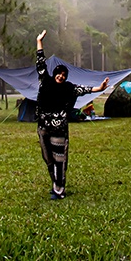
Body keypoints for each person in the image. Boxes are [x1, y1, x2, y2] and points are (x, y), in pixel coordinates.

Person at [34, 30, 108, 200]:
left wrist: (101, 88)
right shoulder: (45, 81)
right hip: (43, 126)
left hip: (59, 128)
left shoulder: (69, 88)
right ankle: (55, 183)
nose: (60, 76)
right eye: (58, 73)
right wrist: (39, 42)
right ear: (55, 74)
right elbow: (40, 62)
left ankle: (59, 190)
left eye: (63, 75)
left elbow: (86, 89)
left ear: (66, 77)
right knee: (48, 158)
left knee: (59, 158)